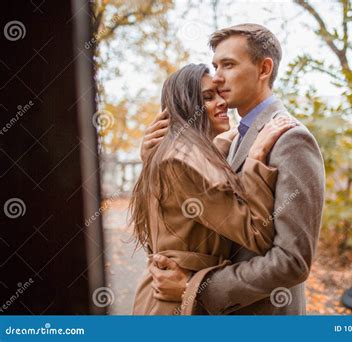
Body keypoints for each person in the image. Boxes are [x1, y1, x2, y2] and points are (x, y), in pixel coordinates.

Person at [142, 23, 325, 315]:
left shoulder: (290, 139)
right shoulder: (232, 137)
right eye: (215, 66)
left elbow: (292, 261)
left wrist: (196, 288)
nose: (217, 77)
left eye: (228, 65)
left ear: (264, 69)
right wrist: (153, 157)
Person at [130, 63, 296, 315]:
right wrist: (256, 158)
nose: (222, 103)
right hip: (174, 305)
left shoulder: (174, 154)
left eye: (220, 94)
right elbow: (257, 234)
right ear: (186, 107)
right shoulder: (181, 163)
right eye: (208, 97)